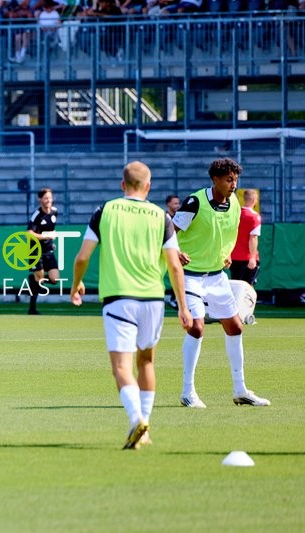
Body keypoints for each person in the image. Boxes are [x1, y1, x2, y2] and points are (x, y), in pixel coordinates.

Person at [70, 161, 192, 449]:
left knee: (121, 367)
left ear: (122, 185)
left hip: (119, 299)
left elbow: (82, 257)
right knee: (146, 361)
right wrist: (184, 307)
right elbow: (175, 265)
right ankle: (145, 430)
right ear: (148, 186)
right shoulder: (161, 216)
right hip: (153, 299)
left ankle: (137, 418)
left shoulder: (106, 211)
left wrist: (76, 286)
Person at [173, 158, 270, 409]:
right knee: (196, 327)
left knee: (236, 327)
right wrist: (175, 253)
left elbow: (230, 233)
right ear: (215, 179)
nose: (233, 184)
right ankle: (187, 392)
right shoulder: (195, 202)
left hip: (217, 277)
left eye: (235, 179)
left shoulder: (234, 203)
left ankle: (240, 390)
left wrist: (226, 253)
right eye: (229, 179)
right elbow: (170, 231)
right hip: (190, 276)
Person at [25, 188, 60, 315]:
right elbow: (28, 234)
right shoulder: (37, 215)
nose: (48, 200)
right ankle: (32, 308)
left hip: (48, 251)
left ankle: (33, 278)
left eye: (50, 197)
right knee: (39, 279)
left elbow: (50, 230)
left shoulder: (55, 212)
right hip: (35, 250)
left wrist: (51, 243)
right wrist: (45, 237)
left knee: (55, 279)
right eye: (46, 198)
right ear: (40, 200)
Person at [229, 189, 261, 286]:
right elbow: (253, 238)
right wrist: (252, 257)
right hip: (246, 258)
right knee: (247, 287)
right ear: (255, 200)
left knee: (236, 284)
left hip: (234, 256)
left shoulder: (235, 214)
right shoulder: (254, 217)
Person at [164, 194, 181, 309]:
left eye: (178, 203)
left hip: (178, 248)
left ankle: (174, 298)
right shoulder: (165, 217)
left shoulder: (179, 217)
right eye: (174, 203)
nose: (177, 206)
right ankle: (173, 298)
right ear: (168, 204)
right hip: (168, 249)